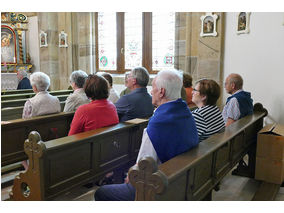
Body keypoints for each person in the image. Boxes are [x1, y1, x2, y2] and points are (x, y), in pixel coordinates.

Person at [94, 69, 199, 201]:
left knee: (101, 193)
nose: (151, 92)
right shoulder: (185, 112)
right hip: (183, 177)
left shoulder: (159, 122)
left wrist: (131, 175)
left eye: (153, 88)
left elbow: (144, 165)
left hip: (157, 186)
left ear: (162, 92)